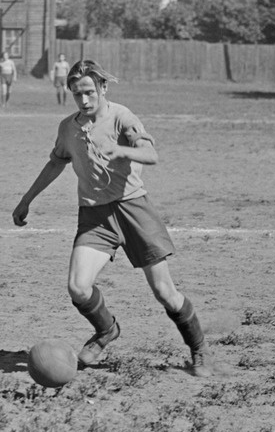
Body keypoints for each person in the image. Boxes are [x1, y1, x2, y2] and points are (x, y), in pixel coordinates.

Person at [12, 59, 212, 377]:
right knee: (78, 287)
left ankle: (198, 348)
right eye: (78, 94)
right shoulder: (68, 128)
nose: (85, 100)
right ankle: (106, 330)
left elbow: (151, 154)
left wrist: (125, 151)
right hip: (95, 215)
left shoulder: (121, 116)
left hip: (133, 209)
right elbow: (55, 164)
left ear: (103, 88)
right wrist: (26, 200)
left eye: (90, 92)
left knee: (165, 292)